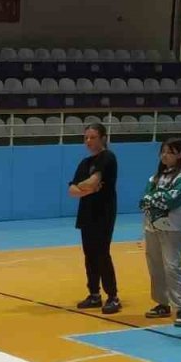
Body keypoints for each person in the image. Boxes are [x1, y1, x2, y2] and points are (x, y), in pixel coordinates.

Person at [139, 137, 181, 327]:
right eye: (162, 151)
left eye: (169, 151)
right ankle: (162, 303)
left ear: (180, 154)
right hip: (152, 226)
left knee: (173, 267)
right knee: (155, 265)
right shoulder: (155, 177)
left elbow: (173, 200)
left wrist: (154, 198)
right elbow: (144, 199)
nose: (164, 155)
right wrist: (156, 198)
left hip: (174, 227)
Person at [68, 122, 121, 314]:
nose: (88, 141)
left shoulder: (107, 157)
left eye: (92, 137)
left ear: (103, 138)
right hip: (87, 213)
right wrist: (86, 189)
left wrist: (84, 186)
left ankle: (113, 296)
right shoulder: (85, 163)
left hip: (103, 213)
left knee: (102, 254)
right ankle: (94, 294)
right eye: (86, 138)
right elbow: (72, 190)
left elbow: (94, 181)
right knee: (89, 255)